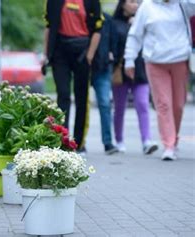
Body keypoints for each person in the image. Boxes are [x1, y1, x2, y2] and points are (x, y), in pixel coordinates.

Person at [124, 0, 195, 160]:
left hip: (180, 59)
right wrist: (129, 59)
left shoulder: (183, 4)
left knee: (178, 105)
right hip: (155, 62)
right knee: (163, 104)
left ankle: (174, 138)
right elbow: (136, 34)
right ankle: (168, 145)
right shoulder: (147, 6)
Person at [43, 0, 105, 155]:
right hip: (60, 51)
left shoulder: (92, 2)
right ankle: (62, 139)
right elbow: (49, 27)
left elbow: (98, 29)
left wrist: (89, 56)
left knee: (81, 98)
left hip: (83, 50)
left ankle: (78, 142)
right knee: (63, 95)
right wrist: (46, 55)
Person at [112, 0, 159, 155]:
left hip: (140, 70)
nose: (135, 5)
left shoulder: (144, 21)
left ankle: (146, 141)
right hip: (121, 71)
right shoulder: (114, 23)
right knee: (119, 108)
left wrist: (138, 25)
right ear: (123, 4)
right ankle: (119, 140)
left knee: (142, 104)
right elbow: (113, 45)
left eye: (137, 2)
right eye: (131, 2)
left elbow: (151, 41)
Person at [91, 12, 119, 155]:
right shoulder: (82, 14)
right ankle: (79, 142)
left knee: (105, 103)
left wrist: (112, 53)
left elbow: (114, 39)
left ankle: (108, 142)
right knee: (82, 105)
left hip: (103, 66)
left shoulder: (107, 18)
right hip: (84, 66)